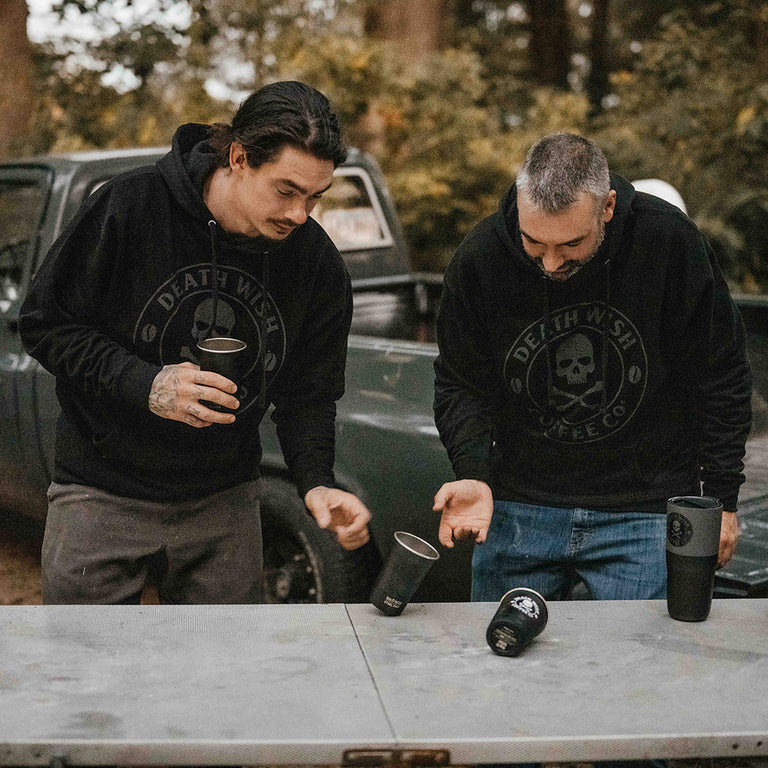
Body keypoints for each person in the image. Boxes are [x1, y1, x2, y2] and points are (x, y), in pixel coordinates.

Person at [19, 81, 371, 604]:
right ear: (238, 157)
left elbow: (309, 395)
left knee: (219, 677)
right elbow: (46, 324)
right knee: (90, 676)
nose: (300, 214)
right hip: (101, 492)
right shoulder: (129, 205)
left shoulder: (316, 263)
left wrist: (316, 480)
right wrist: (147, 383)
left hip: (225, 500)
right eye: (286, 191)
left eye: (315, 197)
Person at [432, 133, 752, 602]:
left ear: (607, 207)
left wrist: (721, 499)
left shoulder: (668, 241)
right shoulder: (481, 257)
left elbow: (720, 372)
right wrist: (474, 473)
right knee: (501, 667)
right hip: (520, 506)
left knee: (637, 667)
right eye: (533, 243)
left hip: (645, 509)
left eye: (570, 244)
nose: (550, 262)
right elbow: (460, 383)